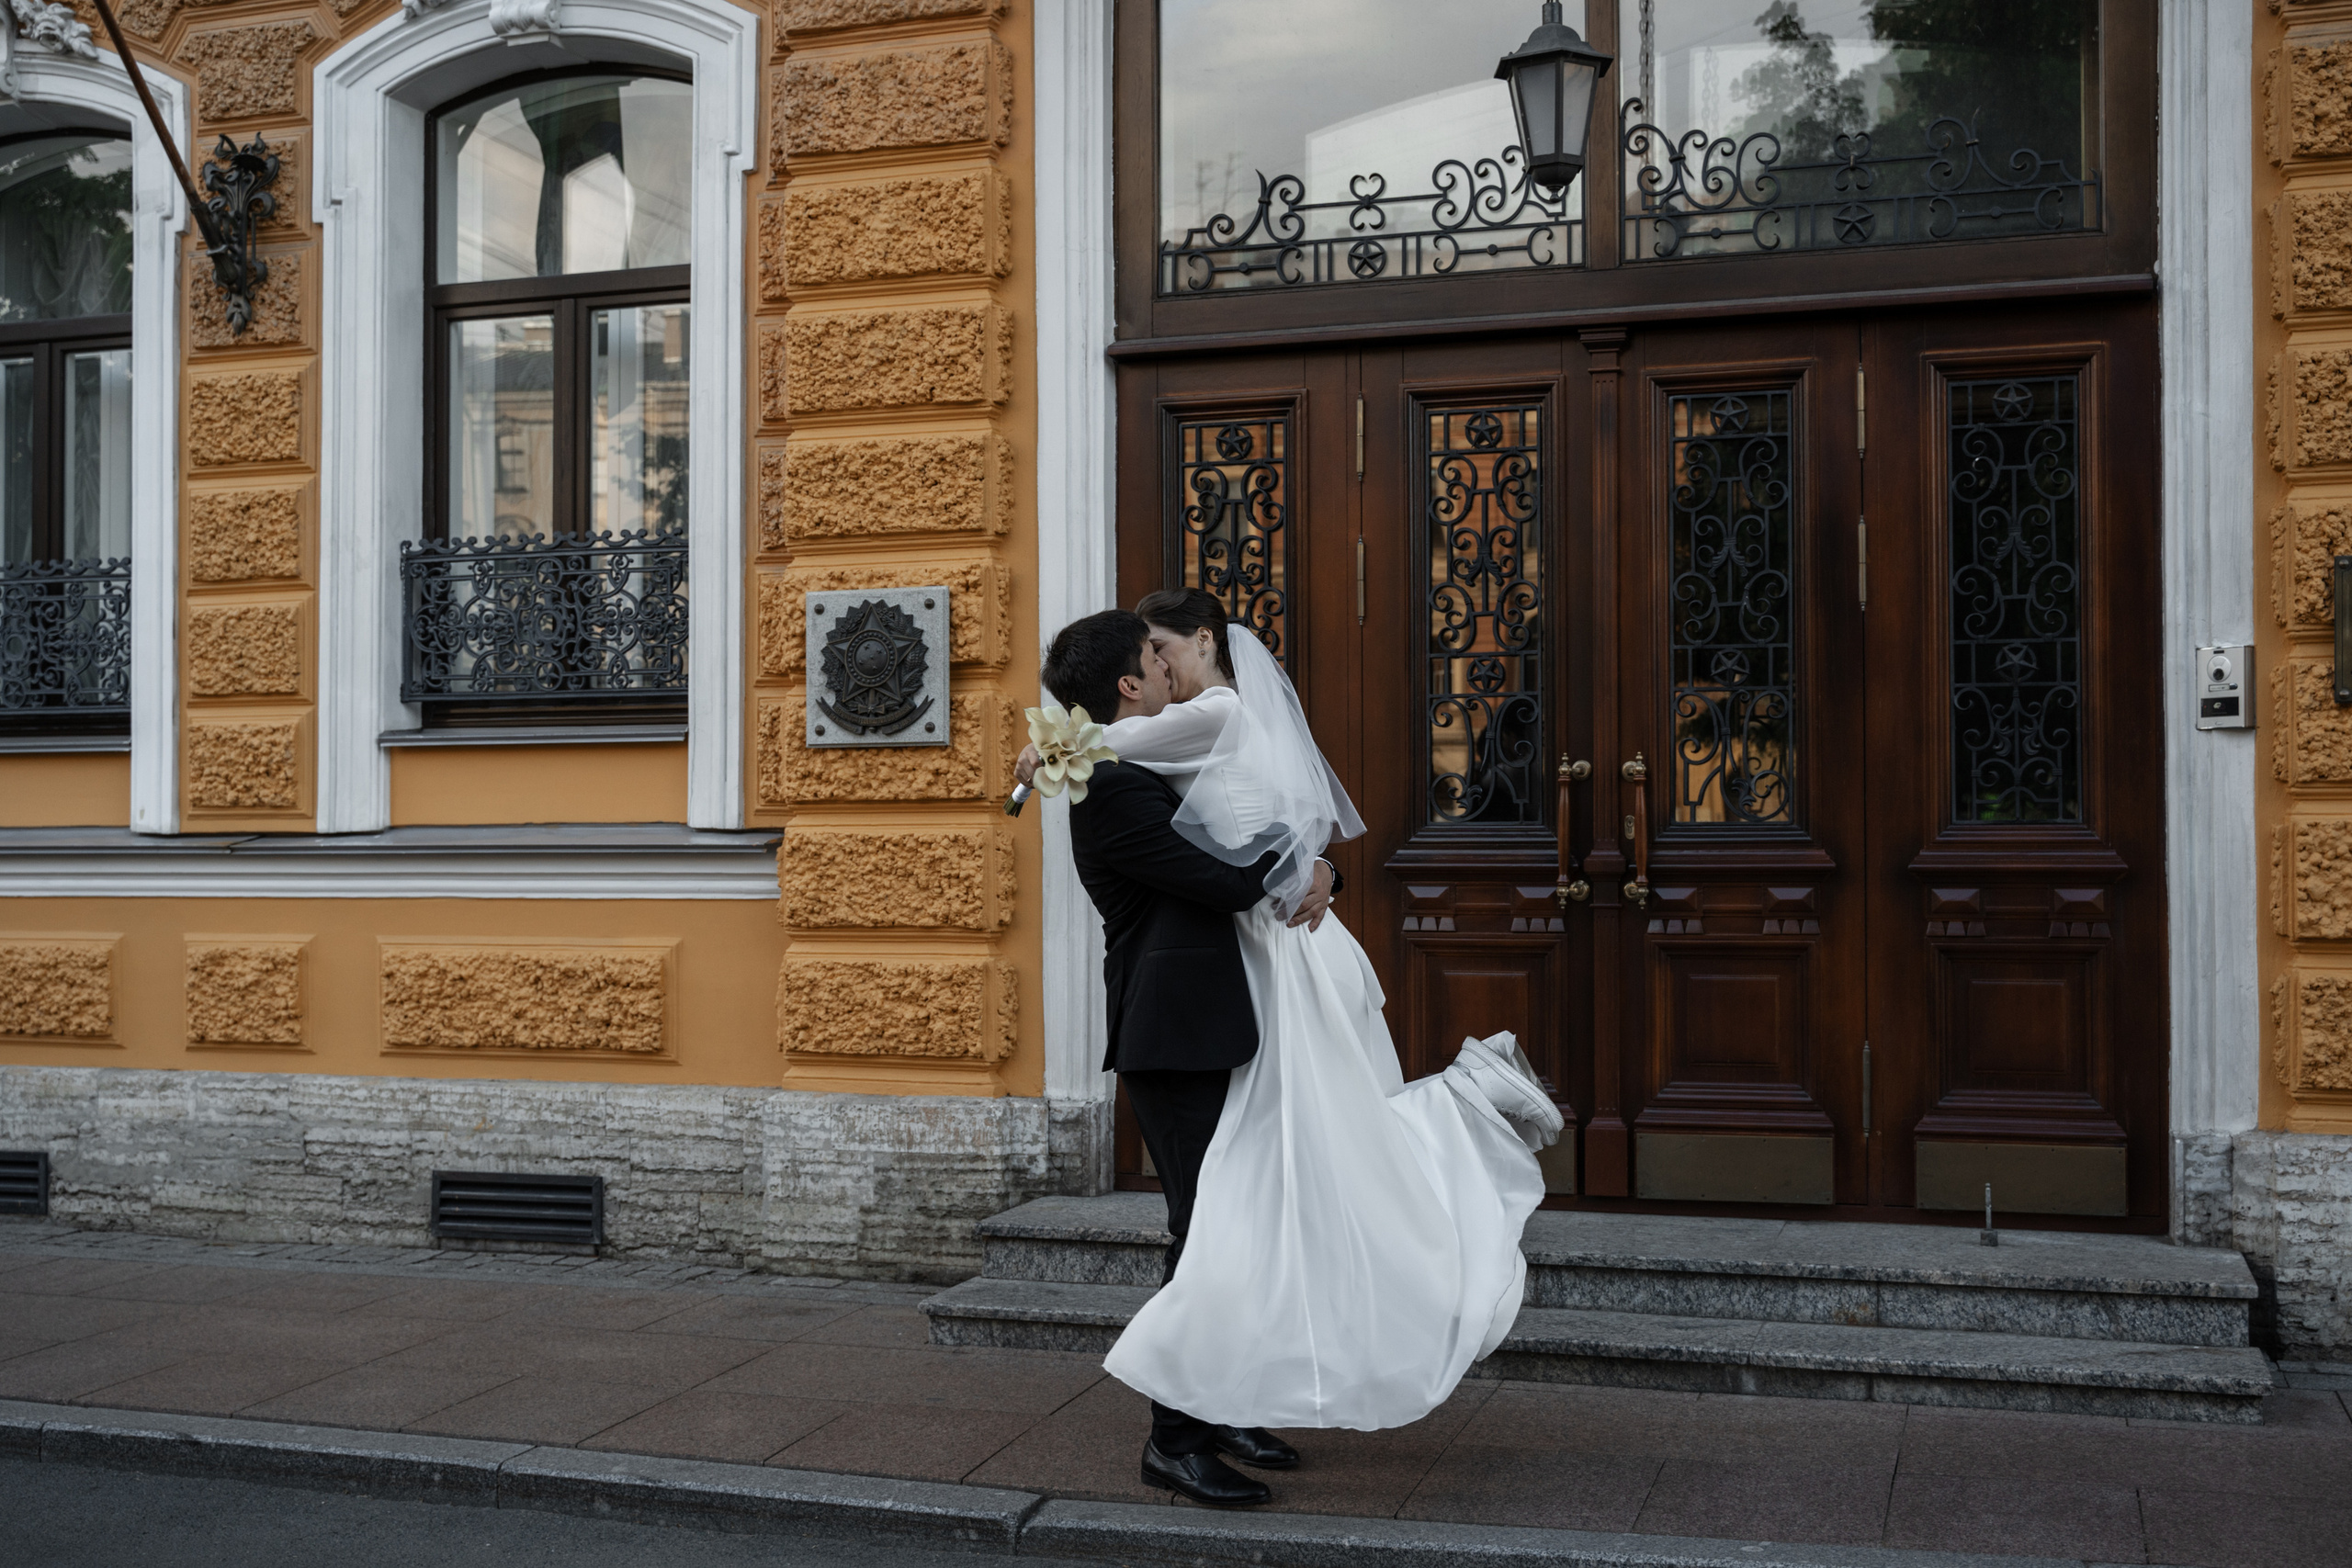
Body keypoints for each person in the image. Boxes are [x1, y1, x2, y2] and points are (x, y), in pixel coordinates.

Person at [1034, 593, 1562, 1508]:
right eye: (1156, 663)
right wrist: (1308, 869)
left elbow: (1257, 825)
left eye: (1173, 655)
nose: (1173, 672)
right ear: (1131, 680)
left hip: (1225, 1020)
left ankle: (1226, 1401)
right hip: (1177, 1032)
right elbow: (1228, 877)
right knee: (1206, 1233)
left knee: (1249, 1219)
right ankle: (1173, 1436)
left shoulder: (1151, 759)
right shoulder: (1109, 782)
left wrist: (1323, 865)